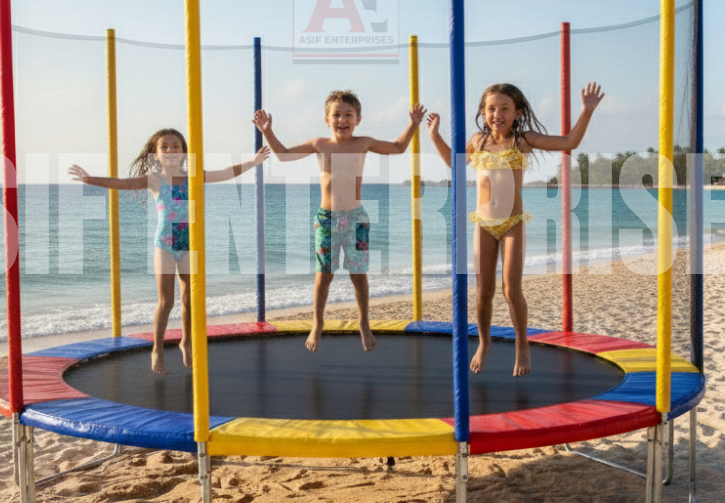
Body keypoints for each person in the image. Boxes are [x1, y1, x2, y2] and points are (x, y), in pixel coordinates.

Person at [426, 81, 604, 376]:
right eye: (491, 108)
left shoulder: (522, 141)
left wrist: (586, 111)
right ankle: (484, 343)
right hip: (483, 224)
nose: (497, 113)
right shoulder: (477, 141)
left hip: (512, 224)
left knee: (511, 289)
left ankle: (522, 343)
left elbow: (570, 142)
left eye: (504, 108)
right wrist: (434, 135)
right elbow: (452, 161)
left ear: (517, 112)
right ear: (483, 113)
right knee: (483, 291)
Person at [68, 129, 269, 374]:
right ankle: (158, 349)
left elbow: (226, 173)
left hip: (189, 244)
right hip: (164, 244)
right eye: (165, 147)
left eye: (176, 146)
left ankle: (186, 340)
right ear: (156, 153)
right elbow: (121, 184)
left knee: (189, 299)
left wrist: (253, 162)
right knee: (166, 301)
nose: (171, 150)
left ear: (183, 151)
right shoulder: (155, 180)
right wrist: (90, 179)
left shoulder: (194, 175)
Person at [253, 91, 424, 352]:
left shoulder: (363, 142)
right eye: (336, 114)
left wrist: (412, 124)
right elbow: (284, 155)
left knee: (359, 276)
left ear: (358, 119)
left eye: (348, 115)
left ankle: (364, 323)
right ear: (326, 119)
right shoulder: (320, 143)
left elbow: (398, 148)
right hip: (326, 219)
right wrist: (267, 131)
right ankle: (317, 322)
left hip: (357, 218)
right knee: (324, 275)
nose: (342, 119)